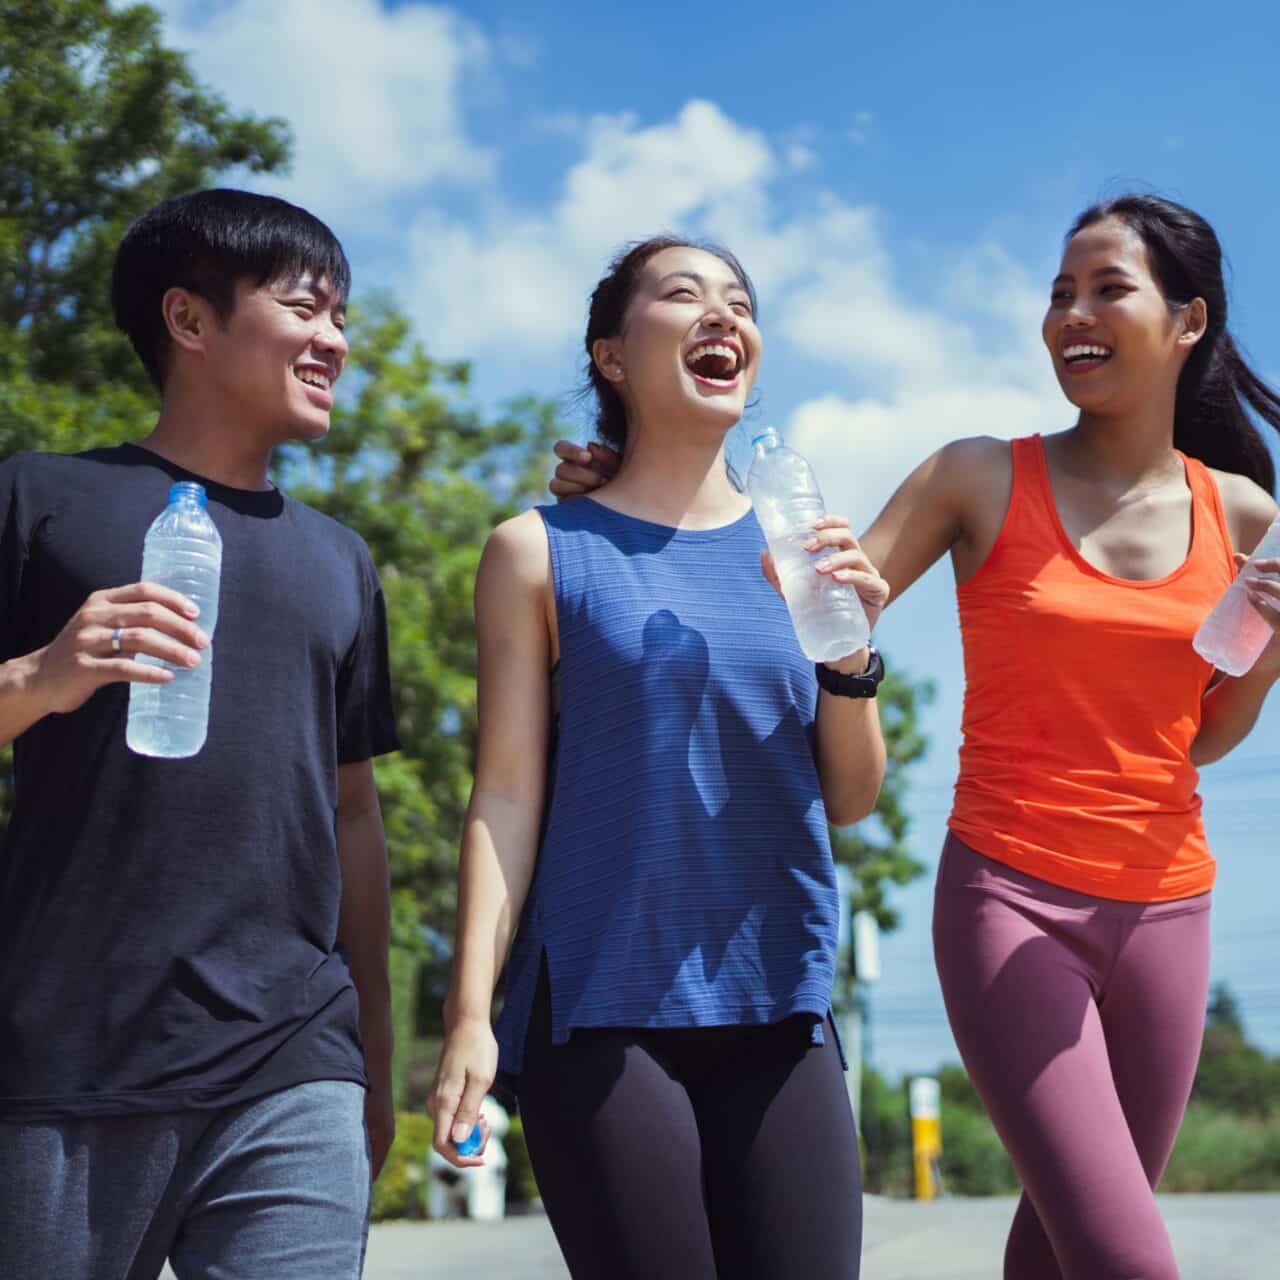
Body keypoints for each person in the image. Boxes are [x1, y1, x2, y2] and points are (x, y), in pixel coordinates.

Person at [550, 194, 1280, 1279]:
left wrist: (1265, 639)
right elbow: (806, 609)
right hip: (1011, 900)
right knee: (1130, 1262)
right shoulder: (976, 475)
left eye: (1104, 288)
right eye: (1057, 292)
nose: (1070, 314)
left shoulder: (1242, 516)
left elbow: (1206, 737)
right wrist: (632, 502)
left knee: (1058, 1250)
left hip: (1169, 910)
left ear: (1187, 322)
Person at [430, 235, 888, 1278]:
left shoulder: (807, 549)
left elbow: (850, 797)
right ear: (610, 356)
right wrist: (468, 1015)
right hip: (598, 1004)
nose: (722, 314)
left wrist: (851, 656)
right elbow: (502, 791)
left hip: (779, 1000)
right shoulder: (537, 549)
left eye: (740, 301)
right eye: (683, 296)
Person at [0, 188, 400, 1279]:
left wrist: (374, 1042)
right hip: (66, 1050)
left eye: (341, 315)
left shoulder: (340, 560)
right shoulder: (40, 498)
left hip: (294, 1053)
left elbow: (351, 809)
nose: (336, 339)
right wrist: (43, 672)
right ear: (189, 319)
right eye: (306, 308)